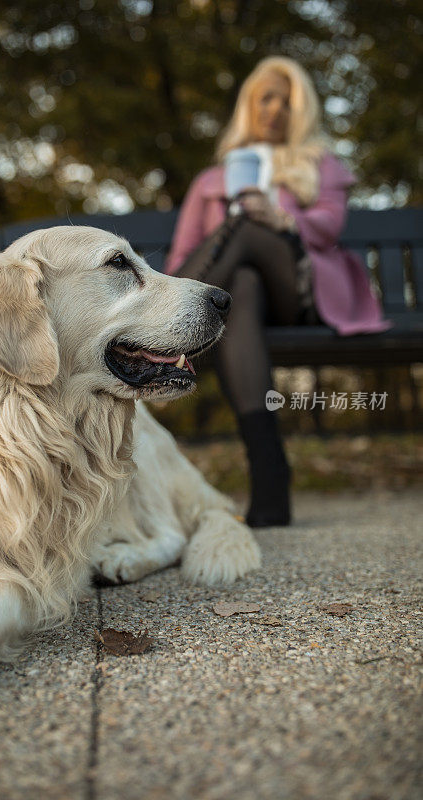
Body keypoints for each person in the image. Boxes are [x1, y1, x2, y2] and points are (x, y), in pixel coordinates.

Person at [165, 55, 392, 529]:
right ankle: (271, 475)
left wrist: (280, 217)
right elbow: (184, 250)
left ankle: (166, 315)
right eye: (266, 98)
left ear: (300, 110)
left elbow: (329, 227)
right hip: (240, 306)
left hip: (303, 292)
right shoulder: (211, 180)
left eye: (286, 101)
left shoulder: (318, 165)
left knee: (246, 225)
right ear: (250, 105)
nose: (275, 109)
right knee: (242, 282)